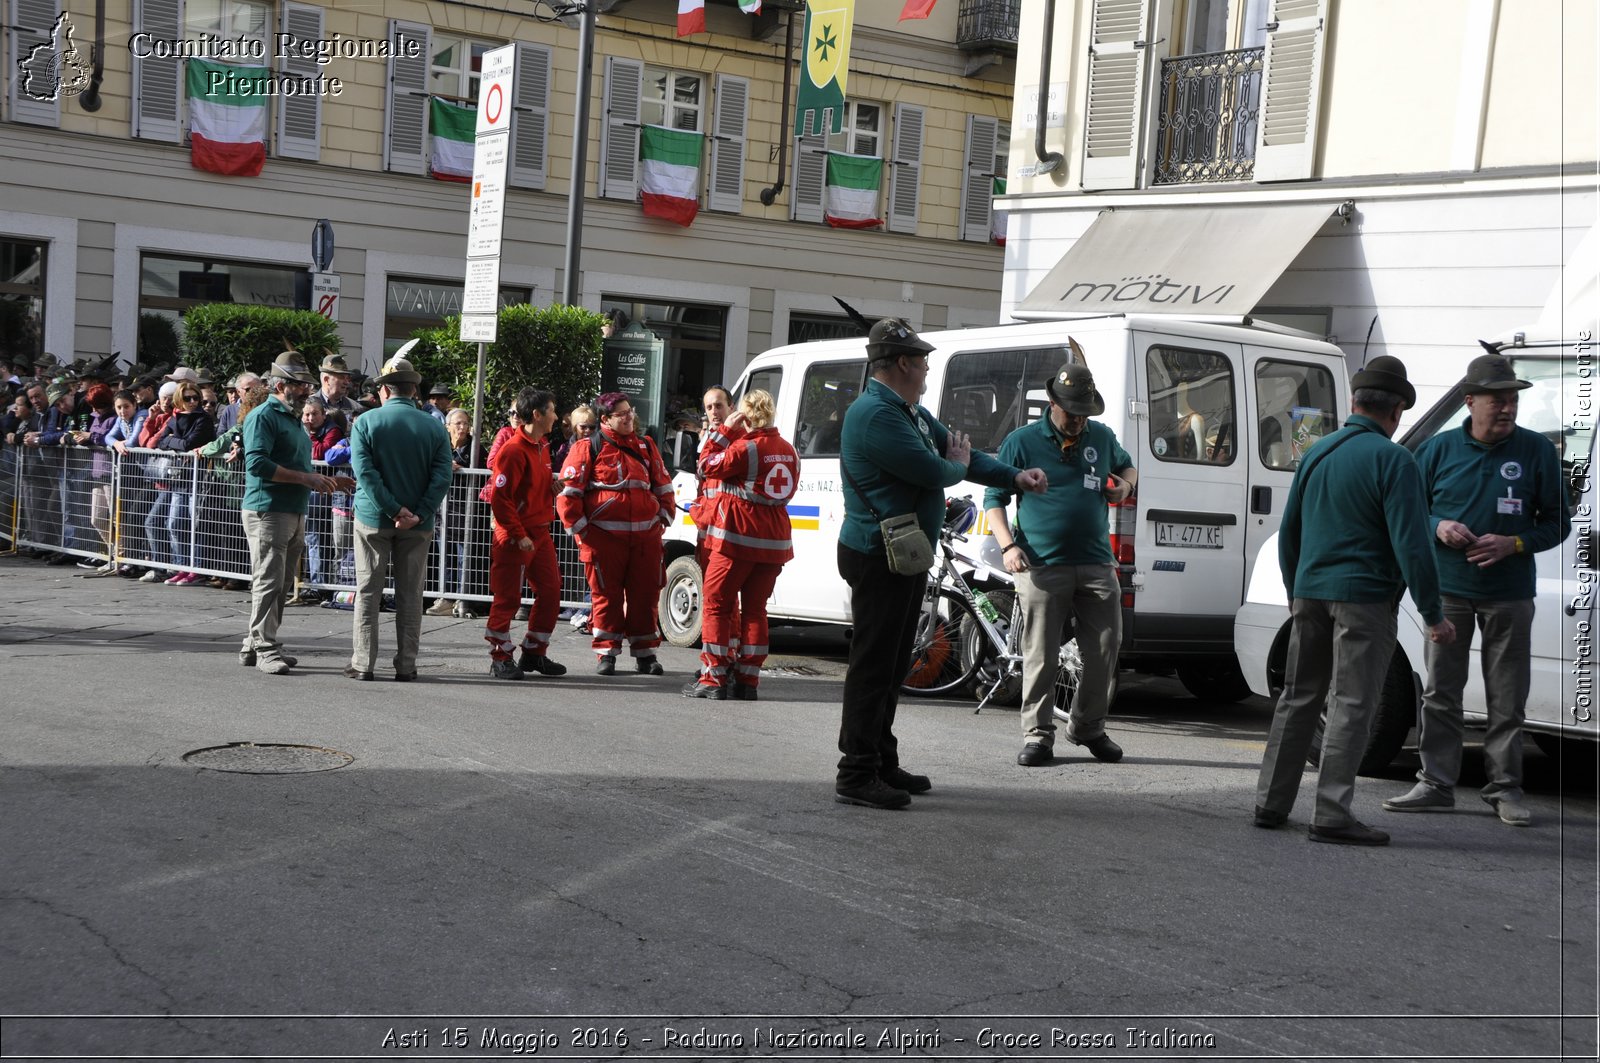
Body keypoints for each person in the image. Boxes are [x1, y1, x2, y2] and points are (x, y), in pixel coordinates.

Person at [835, 318, 1048, 810]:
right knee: (873, 667)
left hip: (901, 553)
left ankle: (880, 761)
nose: (928, 366)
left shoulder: (906, 410)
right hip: (877, 554)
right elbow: (939, 469)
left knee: (892, 666)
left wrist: (1017, 476)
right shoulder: (876, 415)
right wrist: (953, 463)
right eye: (923, 359)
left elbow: (965, 459)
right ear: (904, 363)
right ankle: (856, 772)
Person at [1254, 355, 1456, 846]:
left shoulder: (1317, 454)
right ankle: (1331, 813)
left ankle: (1270, 802)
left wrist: (1292, 590)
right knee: (1351, 703)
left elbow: (1289, 535)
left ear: (1353, 402)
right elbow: (1412, 543)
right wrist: (1432, 613)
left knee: (1298, 699)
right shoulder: (1394, 460)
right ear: (1398, 413)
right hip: (1364, 599)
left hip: (1309, 593)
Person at [1383, 354, 1571, 827]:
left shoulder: (1537, 452)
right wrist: (1437, 525)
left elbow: (1558, 523)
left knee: (1507, 697)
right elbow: (1405, 514)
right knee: (1441, 691)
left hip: (1510, 593)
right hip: (1446, 591)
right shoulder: (1436, 450)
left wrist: (1516, 542)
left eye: (1512, 400)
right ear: (1470, 402)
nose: (1507, 409)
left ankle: (1505, 789)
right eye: (1497, 401)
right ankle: (1436, 784)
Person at [985, 360, 1137, 767]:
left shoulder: (1101, 436)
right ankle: (1037, 735)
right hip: (1041, 563)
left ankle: (1088, 727)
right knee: (1042, 653)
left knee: (1106, 646)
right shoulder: (1022, 441)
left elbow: (1126, 466)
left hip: (1096, 562)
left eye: (1084, 411)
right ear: (1052, 402)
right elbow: (994, 500)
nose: (1077, 419)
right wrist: (1007, 546)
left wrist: (1125, 485)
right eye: (1071, 411)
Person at [240, 351, 355, 675]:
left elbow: (299, 466)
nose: (306, 390)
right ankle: (264, 648)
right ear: (280, 385)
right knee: (269, 581)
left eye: (306, 384)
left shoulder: (290, 418)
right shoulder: (264, 416)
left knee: (278, 581)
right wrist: (307, 479)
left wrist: (328, 481)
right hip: (269, 509)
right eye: (299, 384)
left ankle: (256, 643)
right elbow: (257, 464)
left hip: (291, 509)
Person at [344, 352, 453, 682]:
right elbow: (442, 475)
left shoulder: (365, 422)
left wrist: (392, 508)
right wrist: (417, 512)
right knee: (410, 595)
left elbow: (365, 472)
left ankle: (363, 662)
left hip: (374, 517)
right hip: (418, 524)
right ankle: (406, 664)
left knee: (368, 591)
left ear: (386, 390)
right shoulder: (434, 427)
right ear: (413, 390)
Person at [683, 389, 798, 701]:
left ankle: (713, 678)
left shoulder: (745, 447)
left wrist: (724, 432)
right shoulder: (790, 450)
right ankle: (748, 680)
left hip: (737, 540)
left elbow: (706, 464)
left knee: (717, 605)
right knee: (756, 610)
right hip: (774, 542)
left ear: (744, 414)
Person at [557, 391, 675, 676]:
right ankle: (606, 654)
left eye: (629, 411)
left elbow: (664, 486)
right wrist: (585, 534)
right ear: (605, 419)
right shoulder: (588, 448)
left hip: (645, 541)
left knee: (645, 597)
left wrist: (663, 517)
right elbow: (568, 497)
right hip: (605, 542)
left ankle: (646, 654)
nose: (628, 417)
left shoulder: (646, 446)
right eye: (620, 413)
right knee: (606, 598)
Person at [483, 387, 568, 680]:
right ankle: (500, 657)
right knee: (508, 598)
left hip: (539, 532)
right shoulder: (513, 450)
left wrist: (550, 488)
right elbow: (501, 498)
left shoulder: (541, 446)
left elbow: (526, 489)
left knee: (551, 591)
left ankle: (533, 652)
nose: (556, 417)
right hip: (517, 536)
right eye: (552, 411)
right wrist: (518, 534)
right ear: (536, 414)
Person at [151, 378, 216, 585]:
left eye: (195, 397)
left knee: (195, 524)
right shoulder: (175, 417)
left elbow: (190, 442)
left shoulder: (202, 419)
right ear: (180, 399)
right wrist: (174, 443)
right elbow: (160, 441)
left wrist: (173, 442)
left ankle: (197, 568)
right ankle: (180, 565)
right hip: (178, 478)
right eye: (187, 398)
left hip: (198, 478)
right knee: (174, 523)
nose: (192, 401)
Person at [294, 396, 344, 604]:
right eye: (306, 414)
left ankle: (318, 584)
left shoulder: (332, 431)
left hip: (322, 488)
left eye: (315, 414)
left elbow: (319, 452)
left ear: (324, 415)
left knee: (316, 538)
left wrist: (306, 436)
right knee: (311, 539)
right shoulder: (303, 428)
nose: (310, 418)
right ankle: (313, 581)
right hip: (307, 485)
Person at [315, 351, 362, 422]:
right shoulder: (308, 406)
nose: (347, 382)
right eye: (341, 377)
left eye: (347, 378)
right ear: (326, 380)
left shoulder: (355, 407)